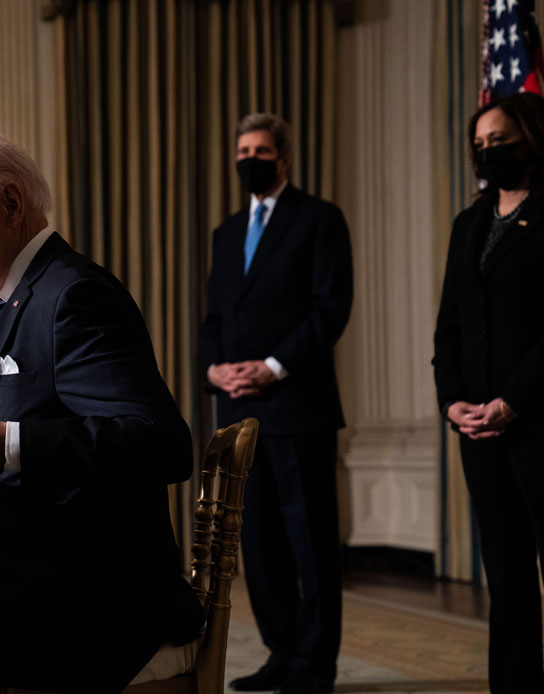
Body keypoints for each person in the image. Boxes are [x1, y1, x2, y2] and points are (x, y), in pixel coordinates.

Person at [0, 131, 203, 692]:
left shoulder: (73, 294)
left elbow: (159, 441)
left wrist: (4, 443)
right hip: (20, 576)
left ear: (10, 204)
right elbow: (38, 428)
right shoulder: (14, 299)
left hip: (87, 600)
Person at [200, 113, 352, 694]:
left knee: (309, 543)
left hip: (298, 406)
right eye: (242, 150)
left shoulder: (319, 219)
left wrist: (272, 367)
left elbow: (328, 310)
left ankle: (315, 665)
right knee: (257, 543)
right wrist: (214, 369)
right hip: (237, 410)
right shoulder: (227, 232)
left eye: (260, 150)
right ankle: (280, 653)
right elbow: (215, 318)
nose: (249, 159)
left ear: (283, 158)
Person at [433, 92, 544, 694]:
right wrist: (451, 401)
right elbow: (449, 329)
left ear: (535, 140)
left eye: (501, 142)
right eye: (481, 145)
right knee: (507, 577)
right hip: (478, 429)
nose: (489, 153)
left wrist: (513, 399)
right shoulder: (469, 223)